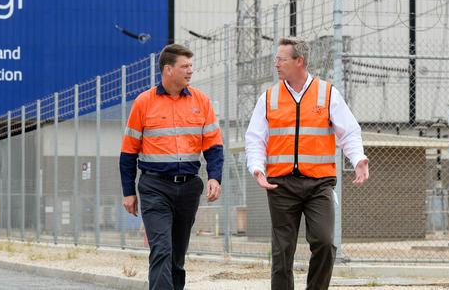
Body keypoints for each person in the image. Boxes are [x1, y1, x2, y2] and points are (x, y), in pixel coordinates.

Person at [245, 37, 369, 290]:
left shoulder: (327, 93)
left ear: (299, 61)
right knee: (282, 252)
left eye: (281, 59)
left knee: (324, 242)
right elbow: (255, 138)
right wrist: (257, 168)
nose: (276, 64)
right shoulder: (268, 98)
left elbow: (349, 132)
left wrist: (358, 159)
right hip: (280, 186)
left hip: (319, 185)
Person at [119, 43, 224, 290]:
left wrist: (214, 177)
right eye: (184, 66)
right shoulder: (144, 103)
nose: (190, 71)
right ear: (168, 70)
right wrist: (128, 192)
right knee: (161, 249)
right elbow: (128, 153)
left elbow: (213, 145)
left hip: (188, 188)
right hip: (155, 187)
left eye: (191, 66)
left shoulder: (201, 101)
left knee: (177, 256)